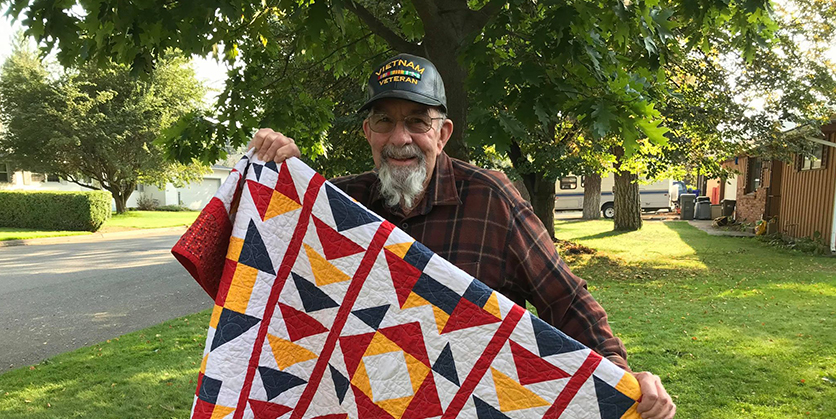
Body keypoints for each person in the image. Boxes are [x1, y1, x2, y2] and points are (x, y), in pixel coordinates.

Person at [248, 53, 676, 419]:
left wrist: (619, 377)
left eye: (417, 121)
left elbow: (564, 298)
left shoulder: (490, 198)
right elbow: (261, 266)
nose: (400, 138)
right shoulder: (338, 205)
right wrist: (278, 174)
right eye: (384, 121)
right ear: (368, 133)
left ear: (443, 132)